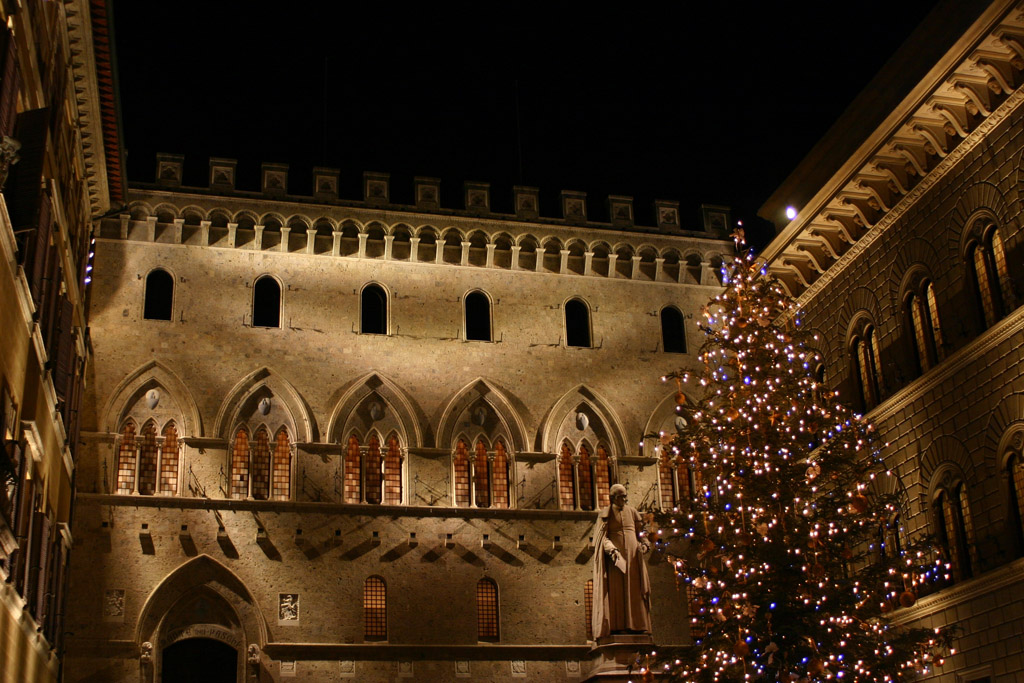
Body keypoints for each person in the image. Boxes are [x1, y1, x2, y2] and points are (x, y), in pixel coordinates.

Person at [592, 484, 652, 640]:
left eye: (625, 496)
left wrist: (645, 544)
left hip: (634, 559)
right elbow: (602, 538)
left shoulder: (632, 512)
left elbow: (641, 533)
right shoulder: (605, 515)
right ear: (613, 498)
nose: (624, 499)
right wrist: (612, 550)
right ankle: (618, 627)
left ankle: (638, 626)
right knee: (616, 593)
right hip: (615, 562)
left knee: (635, 592)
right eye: (621, 496)